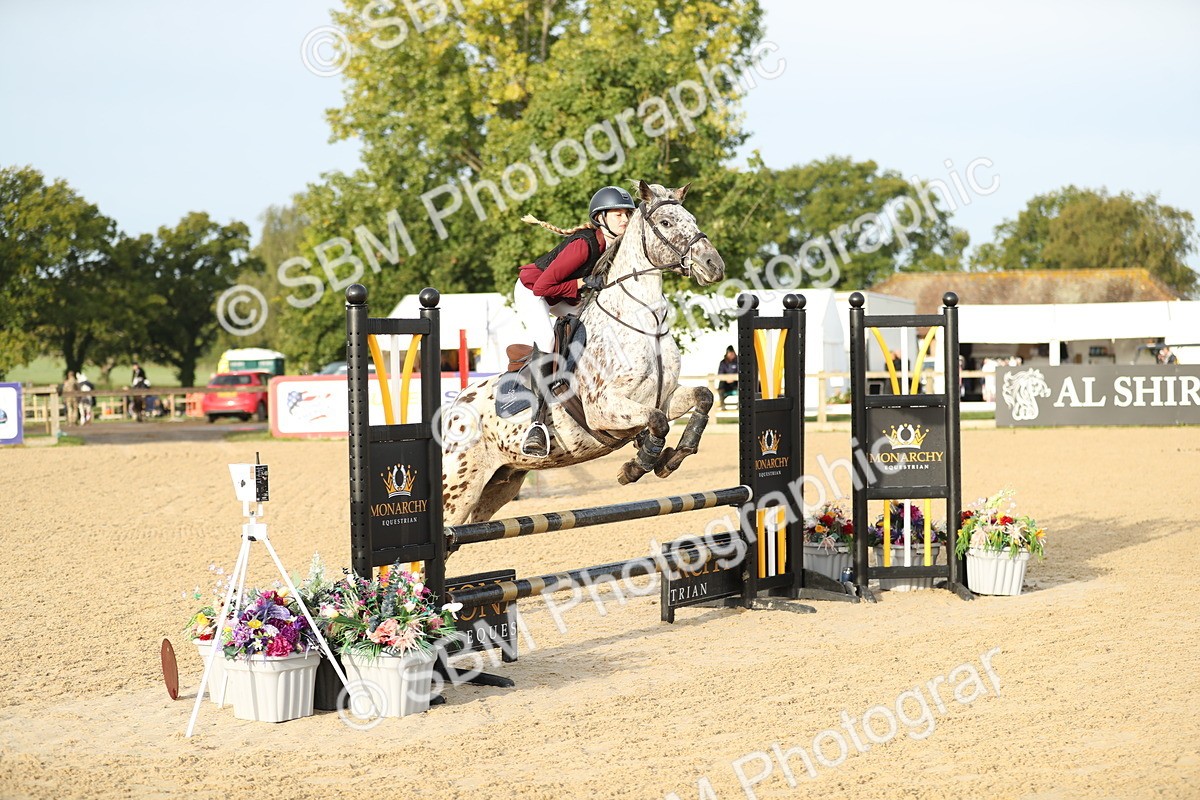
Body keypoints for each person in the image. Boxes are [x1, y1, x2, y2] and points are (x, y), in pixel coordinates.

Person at [512, 186, 636, 457]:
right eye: (618, 214)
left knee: (595, 322)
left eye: (628, 214)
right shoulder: (583, 245)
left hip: (559, 294)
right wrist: (583, 282)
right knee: (547, 339)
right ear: (601, 218)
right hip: (532, 292)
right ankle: (537, 423)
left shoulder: (615, 246)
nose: (625, 219)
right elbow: (542, 288)